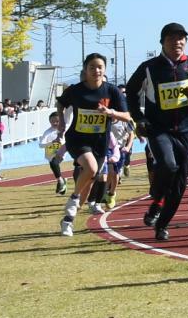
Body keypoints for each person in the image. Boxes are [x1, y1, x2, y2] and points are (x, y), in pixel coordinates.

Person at [123, 24, 188, 241]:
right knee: (168, 164)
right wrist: (140, 118)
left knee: (179, 182)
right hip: (158, 129)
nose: (178, 42)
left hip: (185, 131)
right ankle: (157, 197)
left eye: (182, 38)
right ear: (162, 42)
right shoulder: (150, 67)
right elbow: (131, 94)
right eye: (172, 38)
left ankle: (162, 224)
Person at [55, 54, 133, 236]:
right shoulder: (76, 90)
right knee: (90, 169)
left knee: (88, 183)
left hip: (99, 142)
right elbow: (60, 102)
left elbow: (127, 116)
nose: (96, 70)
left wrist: (110, 112)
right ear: (85, 70)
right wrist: (60, 122)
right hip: (78, 139)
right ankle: (73, 198)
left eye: (100, 67)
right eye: (92, 67)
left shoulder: (112, 91)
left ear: (104, 70)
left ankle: (68, 220)